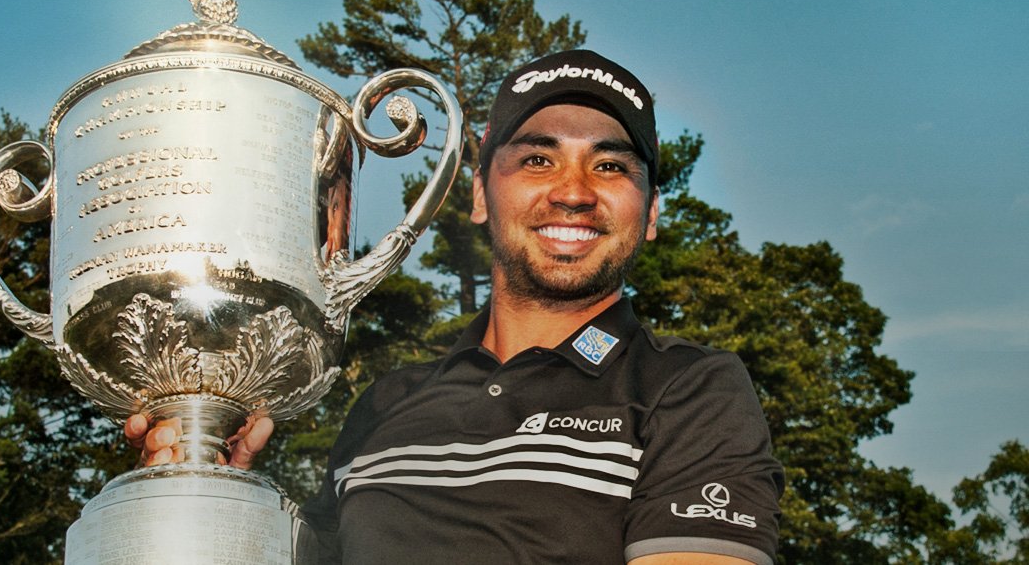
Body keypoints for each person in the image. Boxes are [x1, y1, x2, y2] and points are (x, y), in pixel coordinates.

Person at [127, 49, 784, 564]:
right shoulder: (381, 408)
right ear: (478, 196)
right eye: (536, 159)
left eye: (611, 167)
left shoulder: (691, 389)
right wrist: (221, 500)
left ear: (650, 216)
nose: (574, 193)